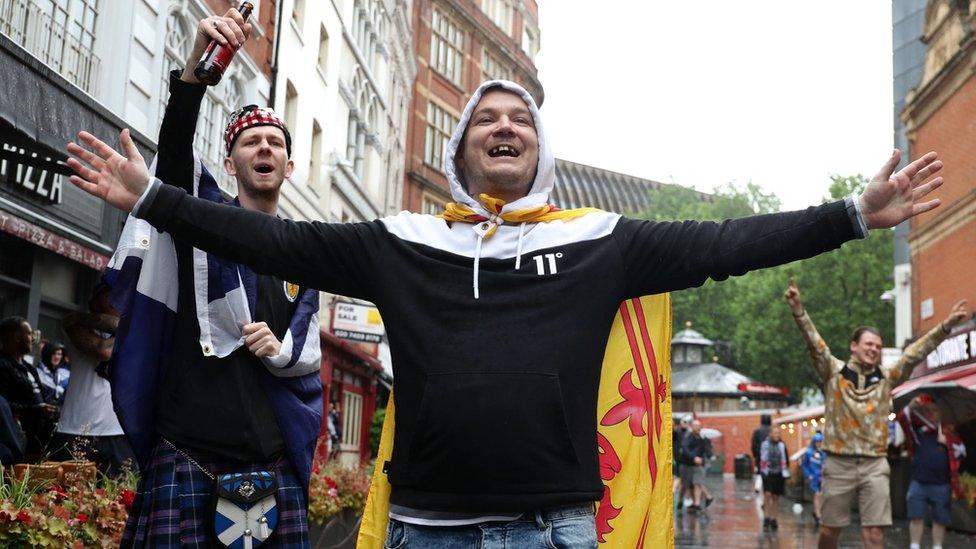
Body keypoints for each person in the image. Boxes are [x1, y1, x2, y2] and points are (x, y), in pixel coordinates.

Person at [68, 60, 948, 547]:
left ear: (539, 149)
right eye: (486, 117)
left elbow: (724, 246)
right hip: (424, 531)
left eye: (519, 119)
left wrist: (851, 215)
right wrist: (151, 196)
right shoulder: (404, 238)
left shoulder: (601, 239)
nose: (503, 125)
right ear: (460, 151)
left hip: (551, 530)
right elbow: (274, 240)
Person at [76, 9, 322, 547]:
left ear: (289, 165)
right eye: (250, 142)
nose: (264, 148)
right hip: (188, 461)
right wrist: (193, 75)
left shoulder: (303, 255)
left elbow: (305, 358)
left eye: (275, 143)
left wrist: (279, 347)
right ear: (229, 165)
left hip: (271, 471)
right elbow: (174, 163)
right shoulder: (199, 227)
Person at [784, 280, 969, 549]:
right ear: (854, 346)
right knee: (828, 532)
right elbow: (815, 344)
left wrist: (946, 326)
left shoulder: (887, 378)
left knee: (875, 535)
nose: (874, 349)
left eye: (879, 346)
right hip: (838, 462)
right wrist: (799, 310)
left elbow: (914, 354)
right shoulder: (834, 373)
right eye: (869, 344)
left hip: (874, 465)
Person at [48, 284, 136, 475]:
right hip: (76, 429)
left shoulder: (135, 330)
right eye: (110, 293)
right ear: (95, 299)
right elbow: (104, 351)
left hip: (119, 432)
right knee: (63, 498)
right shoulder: (75, 325)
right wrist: (128, 325)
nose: (119, 299)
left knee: (118, 500)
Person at [896, 394, 966, 549]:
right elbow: (902, 418)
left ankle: (937, 546)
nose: (931, 413)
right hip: (919, 481)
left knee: (940, 519)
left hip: (942, 483)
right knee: (916, 516)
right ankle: (914, 545)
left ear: (940, 412)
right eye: (927, 410)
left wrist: (947, 443)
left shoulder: (949, 432)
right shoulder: (917, 430)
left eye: (934, 410)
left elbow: (962, 452)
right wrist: (912, 406)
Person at [0, 316, 58, 457]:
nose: (33, 338)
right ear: (16, 337)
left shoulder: (29, 368)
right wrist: (36, 409)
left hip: (37, 440)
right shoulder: (2, 365)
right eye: (30, 333)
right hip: (16, 439)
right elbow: (4, 405)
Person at [760, 425, 789, 531]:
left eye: (778, 433)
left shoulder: (782, 445)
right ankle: (766, 518)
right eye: (775, 433)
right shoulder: (765, 444)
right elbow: (762, 458)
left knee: (776, 497)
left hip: (779, 473)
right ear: (770, 434)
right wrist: (762, 471)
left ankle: (774, 519)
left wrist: (785, 472)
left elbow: (786, 459)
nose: (777, 435)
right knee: (767, 495)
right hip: (767, 472)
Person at [680, 420, 713, 511]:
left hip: (699, 464)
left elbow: (708, 452)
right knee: (690, 484)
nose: (697, 428)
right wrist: (694, 457)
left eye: (698, 426)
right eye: (695, 426)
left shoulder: (703, 438)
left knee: (697, 483)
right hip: (689, 463)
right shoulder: (688, 436)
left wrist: (705, 443)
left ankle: (698, 503)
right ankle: (700, 501)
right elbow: (685, 448)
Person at [801, 432, 825, 526]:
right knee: (817, 495)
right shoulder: (809, 453)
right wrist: (809, 475)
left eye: (820, 442)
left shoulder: (823, 453)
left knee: (821, 496)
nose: (819, 444)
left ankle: (817, 512)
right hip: (814, 478)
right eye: (817, 442)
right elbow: (805, 466)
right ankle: (818, 515)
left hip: (822, 478)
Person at [751, 413, 772, 493]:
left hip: (760, 456)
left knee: (760, 472)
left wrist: (756, 455)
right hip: (771, 457)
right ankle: (766, 491)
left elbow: (753, 445)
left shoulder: (757, 431)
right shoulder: (772, 430)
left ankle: (758, 486)